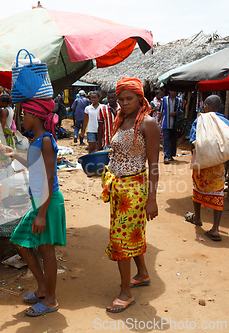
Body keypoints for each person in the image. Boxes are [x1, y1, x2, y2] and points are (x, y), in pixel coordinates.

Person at [0, 99, 66, 317]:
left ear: (36, 117)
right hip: (40, 201)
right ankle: (43, 289)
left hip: (47, 202)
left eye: (26, 114)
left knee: (47, 251)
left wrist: (41, 214)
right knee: (21, 242)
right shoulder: (38, 139)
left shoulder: (45, 140)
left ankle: (51, 300)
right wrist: (14, 154)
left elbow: (48, 176)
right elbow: (34, 163)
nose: (22, 118)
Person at [101, 77, 159, 313]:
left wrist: (152, 199)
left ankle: (126, 293)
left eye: (129, 98)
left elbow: (154, 164)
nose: (124, 103)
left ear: (140, 98)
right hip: (117, 188)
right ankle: (143, 274)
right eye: (121, 99)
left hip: (134, 191)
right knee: (130, 235)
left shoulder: (148, 123)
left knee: (120, 241)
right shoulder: (122, 120)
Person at [185, 95, 229, 241]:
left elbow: (193, 141)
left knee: (197, 188)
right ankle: (215, 229)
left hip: (202, 163)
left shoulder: (200, 120)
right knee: (218, 193)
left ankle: (198, 219)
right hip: (218, 165)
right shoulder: (227, 122)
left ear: (206, 105)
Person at [0, 93, 15, 169]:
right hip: (6, 135)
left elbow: (1, 127)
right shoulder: (10, 110)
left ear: (4, 103)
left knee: (1, 154)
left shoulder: (4, 111)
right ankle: (6, 170)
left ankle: (3, 171)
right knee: (6, 156)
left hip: (2, 136)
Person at [159, 91, 183, 164]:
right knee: (165, 140)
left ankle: (171, 155)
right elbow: (161, 111)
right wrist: (157, 121)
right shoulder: (164, 99)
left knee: (173, 141)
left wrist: (175, 113)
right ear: (169, 91)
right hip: (166, 124)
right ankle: (166, 156)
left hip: (175, 125)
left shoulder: (178, 100)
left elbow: (181, 111)